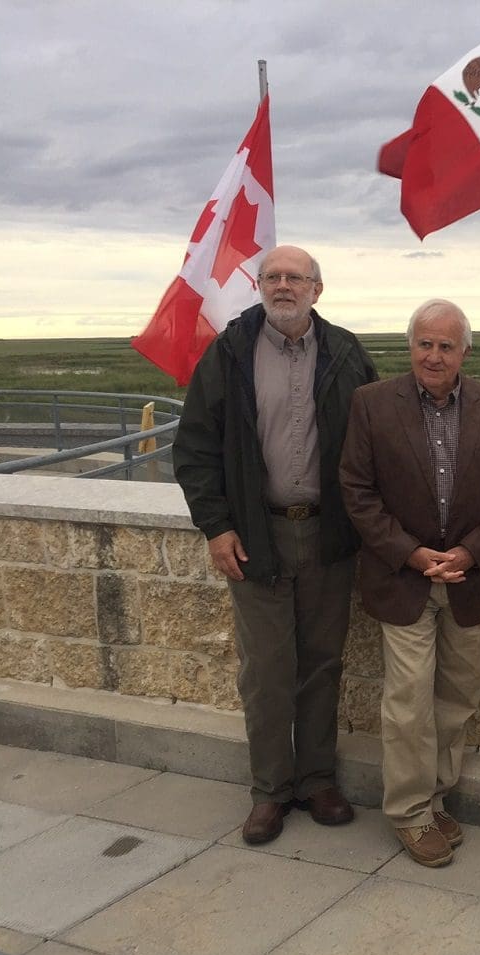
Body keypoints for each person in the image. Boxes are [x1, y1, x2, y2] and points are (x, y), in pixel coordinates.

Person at [174, 245, 378, 845]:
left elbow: (376, 440)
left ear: (318, 288)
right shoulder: (230, 352)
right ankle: (269, 791)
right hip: (256, 537)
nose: (283, 285)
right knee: (265, 671)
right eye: (272, 277)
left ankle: (316, 780)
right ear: (259, 285)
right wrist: (216, 527)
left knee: (321, 663)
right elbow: (195, 450)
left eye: (296, 277)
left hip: (329, 535)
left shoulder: (344, 352)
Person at [339, 298, 480, 869]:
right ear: (410, 347)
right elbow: (357, 491)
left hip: (472, 579)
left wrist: (470, 552)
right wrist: (412, 553)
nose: (435, 354)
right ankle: (408, 813)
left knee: (456, 701)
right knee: (408, 703)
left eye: (447, 345)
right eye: (425, 343)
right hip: (404, 580)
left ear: (465, 351)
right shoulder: (371, 405)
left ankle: (436, 797)